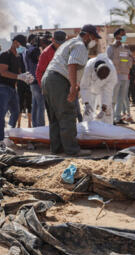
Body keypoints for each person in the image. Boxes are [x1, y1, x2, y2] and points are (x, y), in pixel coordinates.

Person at [42, 24, 101, 156]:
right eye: (94, 37)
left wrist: (75, 85)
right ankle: (72, 150)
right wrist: (73, 88)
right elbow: (72, 64)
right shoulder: (80, 45)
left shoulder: (69, 43)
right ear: (86, 36)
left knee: (55, 117)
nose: (95, 41)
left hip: (48, 79)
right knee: (67, 114)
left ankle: (57, 148)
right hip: (59, 80)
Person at [0, 35, 33, 148]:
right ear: (15, 42)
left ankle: (7, 135)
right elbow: (3, 72)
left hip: (12, 88)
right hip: (2, 87)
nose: (22, 48)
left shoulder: (18, 57)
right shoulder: (5, 55)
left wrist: (26, 76)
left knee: (16, 112)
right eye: (21, 45)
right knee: (1, 114)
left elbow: (19, 72)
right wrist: (19, 76)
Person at [80, 54, 118, 124]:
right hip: (91, 89)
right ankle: (87, 131)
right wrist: (86, 103)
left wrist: (103, 109)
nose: (101, 79)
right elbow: (84, 86)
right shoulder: (89, 67)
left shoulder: (112, 73)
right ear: (95, 70)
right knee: (88, 113)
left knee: (107, 112)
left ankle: (107, 130)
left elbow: (108, 91)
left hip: (103, 90)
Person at [107, 28, 134, 124]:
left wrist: (130, 57)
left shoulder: (126, 48)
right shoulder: (111, 48)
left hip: (125, 75)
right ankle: (110, 118)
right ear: (116, 36)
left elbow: (130, 60)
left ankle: (118, 118)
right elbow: (108, 61)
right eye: (122, 35)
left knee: (121, 98)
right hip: (115, 75)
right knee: (113, 98)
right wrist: (115, 48)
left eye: (124, 35)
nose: (124, 37)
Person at [25, 35, 46, 127]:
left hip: (31, 80)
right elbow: (40, 61)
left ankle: (35, 127)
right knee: (41, 106)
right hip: (37, 80)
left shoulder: (27, 50)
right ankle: (41, 127)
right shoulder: (35, 50)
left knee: (35, 105)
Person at [17, 52, 33, 128]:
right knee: (24, 103)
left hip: (25, 81)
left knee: (25, 103)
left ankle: (25, 124)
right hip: (24, 81)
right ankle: (23, 124)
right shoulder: (21, 55)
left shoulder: (30, 54)